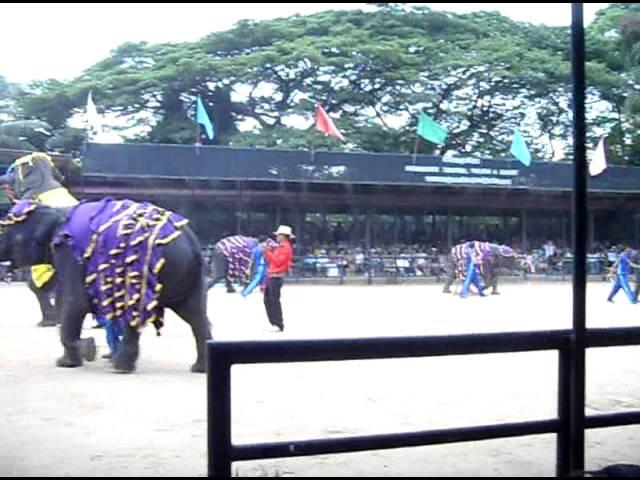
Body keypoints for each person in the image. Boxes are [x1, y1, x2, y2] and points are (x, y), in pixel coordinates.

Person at [262, 225, 294, 331]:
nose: (277, 237)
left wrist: (267, 251)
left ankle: (278, 323)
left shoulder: (285, 248)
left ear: (283, 236)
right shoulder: (280, 247)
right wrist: (267, 252)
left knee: (274, 300)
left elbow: (276, 261)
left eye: (279, 235)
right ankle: (274, 322)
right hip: (272, 275)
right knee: (268, 300)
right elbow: (273, 261)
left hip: (276, 276)